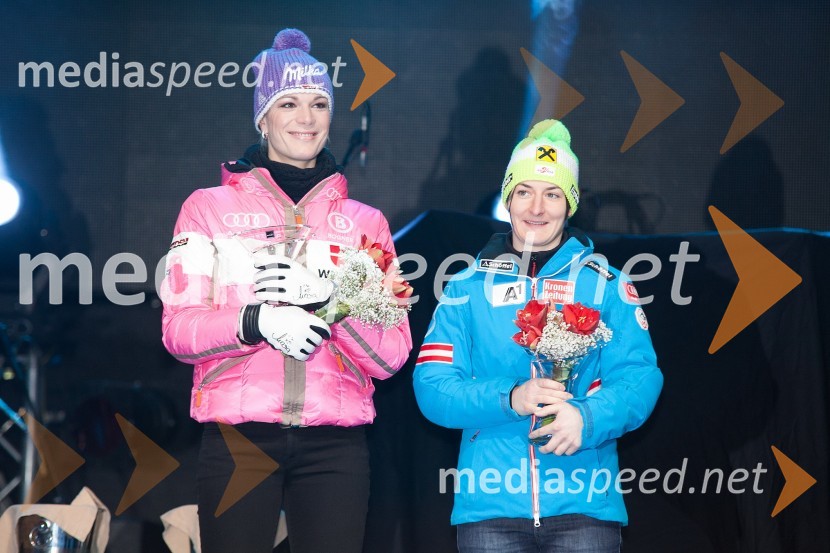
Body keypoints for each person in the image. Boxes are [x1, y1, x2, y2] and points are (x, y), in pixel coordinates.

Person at [160, 28, 412, 553]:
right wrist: (256, 321)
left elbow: (391, 357)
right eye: (289, 102)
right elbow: (178, 331)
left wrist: (331, 306)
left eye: (320, 103)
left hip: (336, 444)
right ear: (264, 116)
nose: (307, 117)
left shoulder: (365, 224)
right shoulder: (207, 208)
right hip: (239, 436)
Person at [413, 120, 662, 552]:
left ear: (570, 205)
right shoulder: (465, 287)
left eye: (553, 194)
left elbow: (641, 377)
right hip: (489, 511)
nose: (537, 207)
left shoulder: (606, 284)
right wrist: (509, 397)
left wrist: (588, 418)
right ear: (507, 198)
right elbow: (432, 386)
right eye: (524, 191)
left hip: (585, 508)